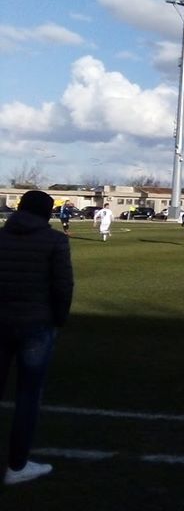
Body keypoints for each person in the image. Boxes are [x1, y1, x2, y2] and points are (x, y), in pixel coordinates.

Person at [0, 190, 74, 486]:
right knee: (28, 396)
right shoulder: (55, 241)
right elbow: (62, 285)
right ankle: (17, 466)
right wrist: (59, 319)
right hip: (36, 324)